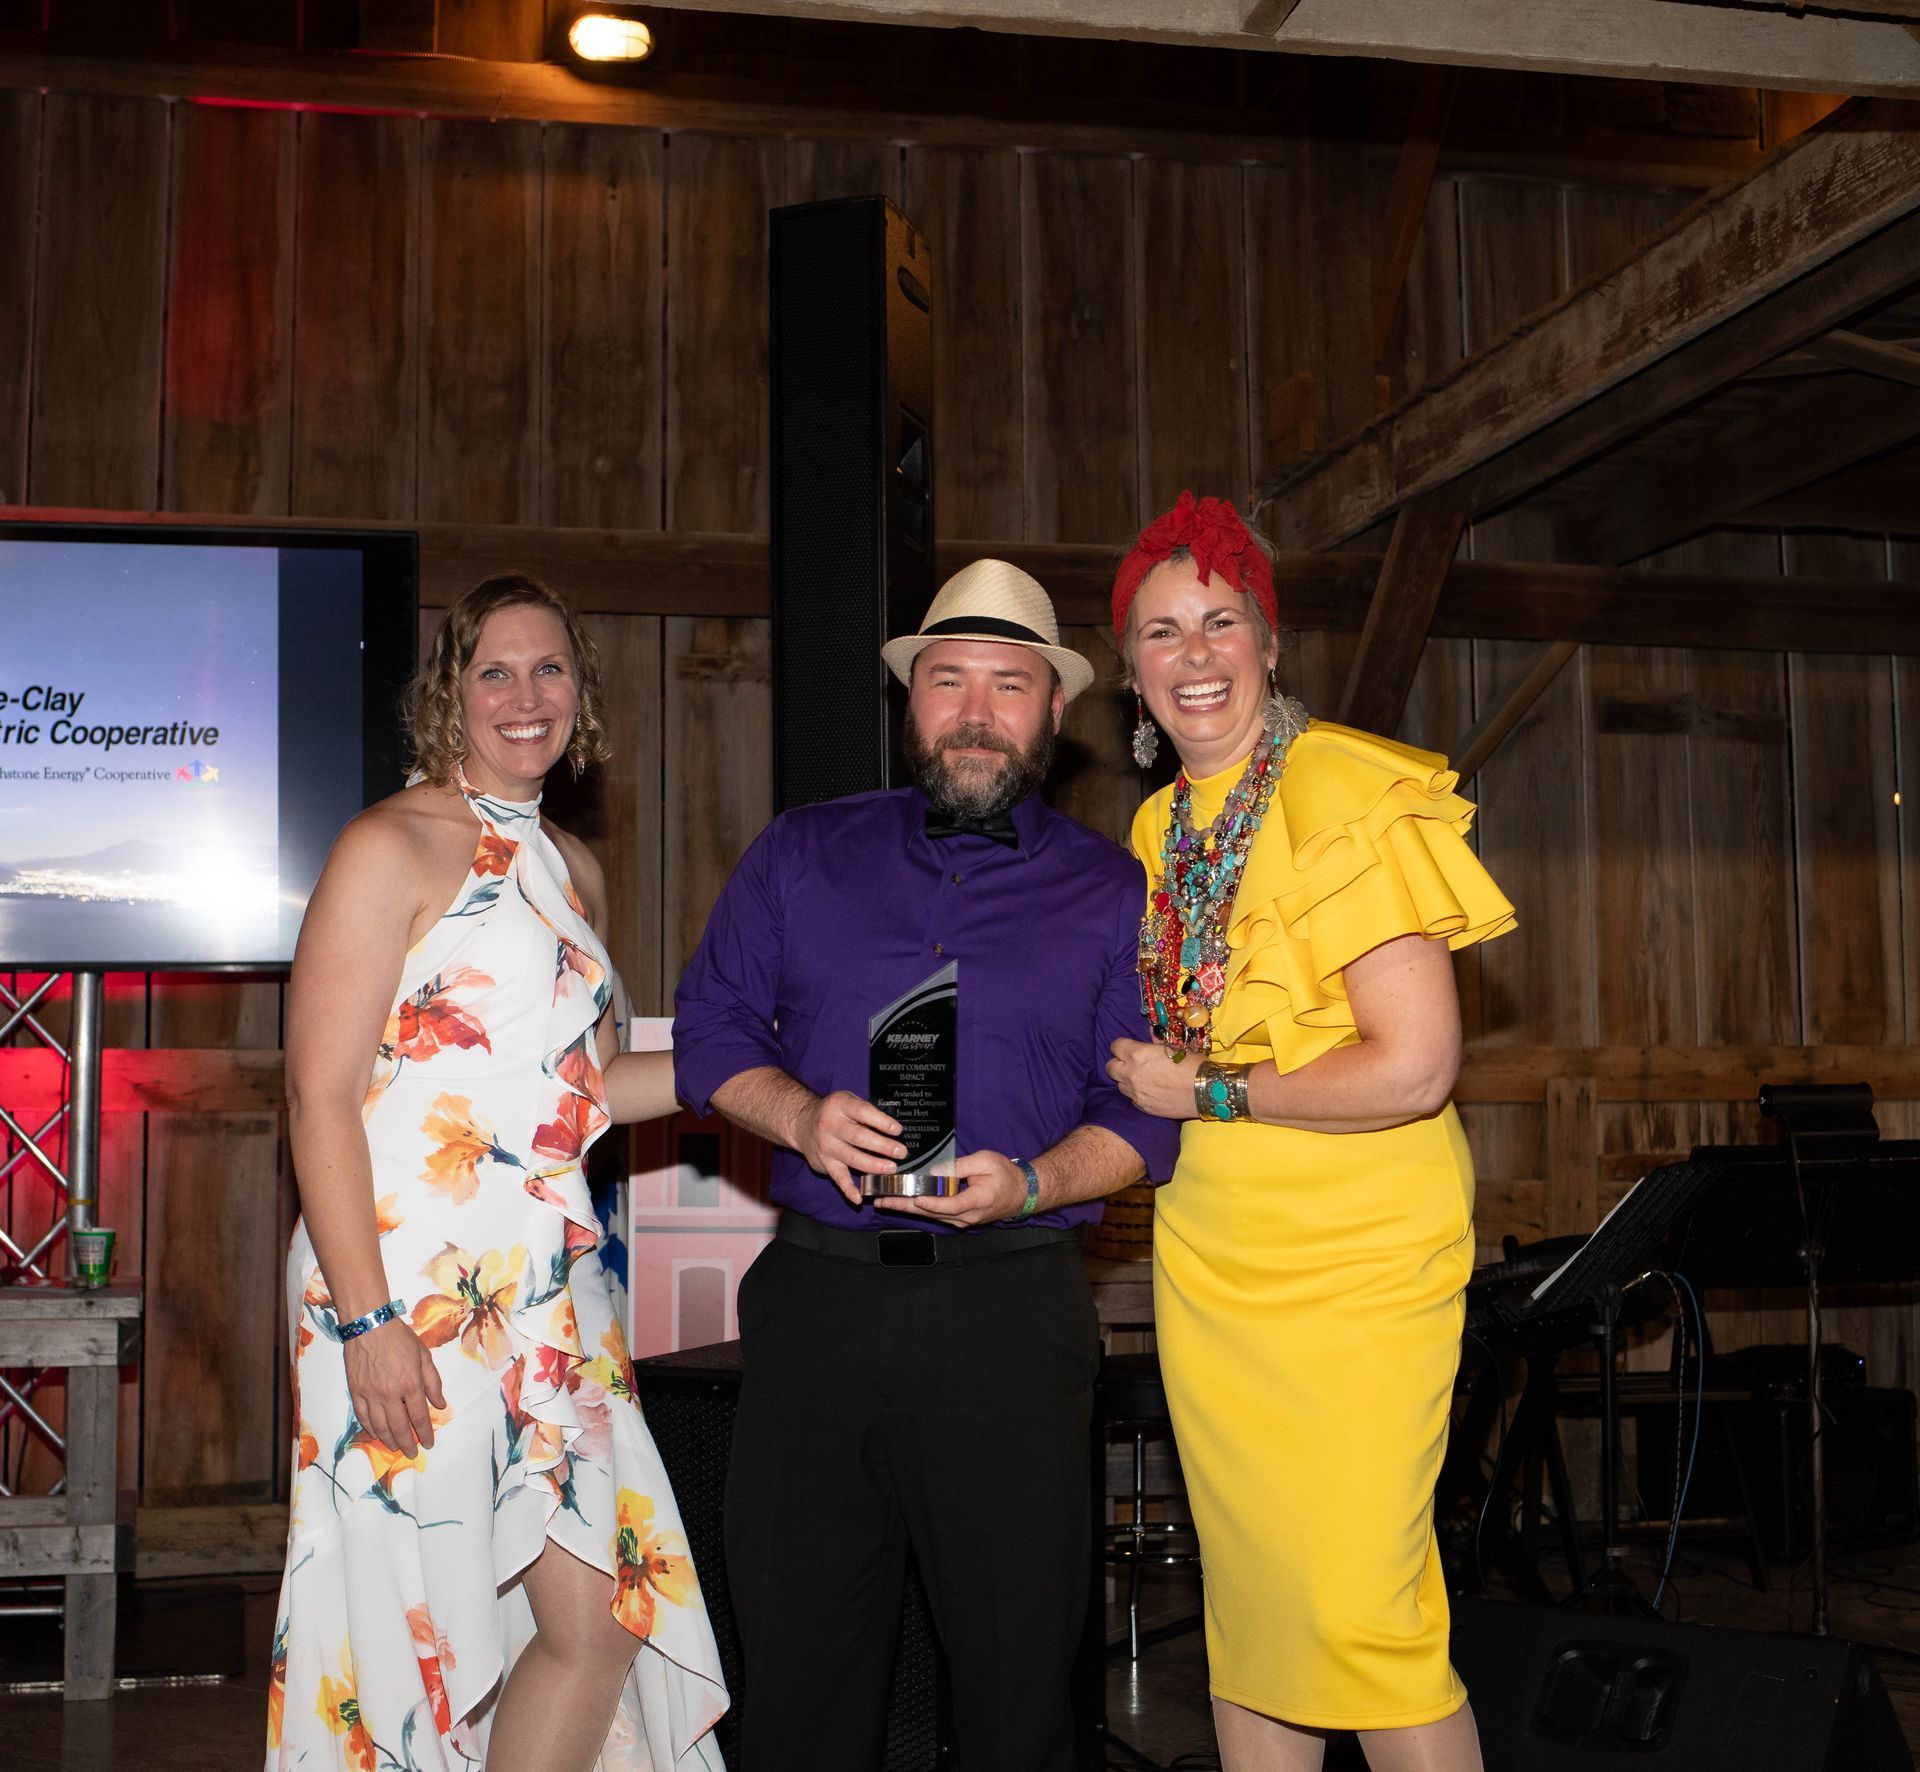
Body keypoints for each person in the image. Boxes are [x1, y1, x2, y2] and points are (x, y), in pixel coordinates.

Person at [673, 559, 1180, 1772]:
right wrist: (798, 1115)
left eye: (1007, 685)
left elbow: (1147, 1113)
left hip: (1009, 1316)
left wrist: (1039, 1180)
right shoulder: (803, 852)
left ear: (1052, 715)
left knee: (1017, 1686)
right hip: (816, 1312)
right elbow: (710, 1030)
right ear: (913, 704)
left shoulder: (1115, 890)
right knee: (800, 1672)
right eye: (947, 679)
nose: (973, 709)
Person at [270, 575, 728, 1772]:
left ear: (581, 689)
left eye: (551, 669)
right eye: (496, 671)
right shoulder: (390, 844)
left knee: (605, 1615)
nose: (528, 696)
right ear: (449, 692)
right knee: (419, 1641)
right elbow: (315, 1092)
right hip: (400, 1280)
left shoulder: (575, 867)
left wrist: (744, 1060)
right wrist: (368, 1318)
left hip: (547, 1285)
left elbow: (588, 1095)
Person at [1104, 493, 1516, 1772]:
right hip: (1215, 1265)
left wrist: (1213, 1093)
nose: (1196, 654)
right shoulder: (1160, 829)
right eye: (1162, 632)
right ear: (1130, 672)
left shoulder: (1342, 786)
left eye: (1221, 621)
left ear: (1269, 645)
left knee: (1364, 1620)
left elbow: (1417, 1064)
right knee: (1255, 1620)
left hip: (1358, 1270)